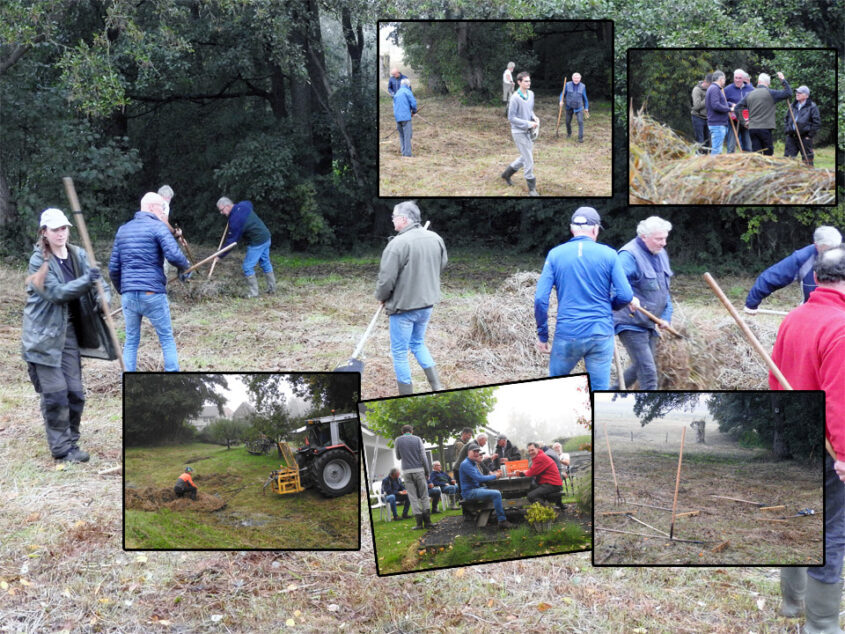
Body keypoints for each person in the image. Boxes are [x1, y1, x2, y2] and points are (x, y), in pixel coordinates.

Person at [770, 245, 845, 633]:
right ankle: (821, 625)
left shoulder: (793, 317)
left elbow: (773, 381)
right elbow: (839, 397)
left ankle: (791, 603)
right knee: (831, 529)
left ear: (817, 278)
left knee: (802, 519)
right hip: (829, 448)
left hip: (796, 437)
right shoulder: (841, 326)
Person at [22, 208, 109, 462]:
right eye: (55, 229)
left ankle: (71, 440)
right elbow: (57, 294)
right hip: (42, 336)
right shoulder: (39, 261)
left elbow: (99, 284)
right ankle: (61, 450)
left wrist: (103, 298)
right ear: (44, 233)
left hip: (68, 332)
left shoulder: (78, 255)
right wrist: (86, 282)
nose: (61, 233)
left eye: (64, 228)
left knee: (75, 392)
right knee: (56, 394)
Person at [534, 207, 637, 390]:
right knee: (598, 391)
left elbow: (541, 299)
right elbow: (626, 295)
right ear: (595, 229)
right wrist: (610, 306)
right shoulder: (609, 254)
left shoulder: (555, 254)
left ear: (572, 229)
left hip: (568, 333)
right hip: (600, 333)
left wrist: (543, 336)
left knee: (554, 388)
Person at [109, 192, 190, 372]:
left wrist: (124, 290)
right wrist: (185, 267)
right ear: (152, 208)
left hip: (129, 294)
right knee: (166, 338)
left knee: (131, 342)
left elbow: (113, 268)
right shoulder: (158, 227)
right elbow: (174, 255)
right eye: (162, 208)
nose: (163, 213)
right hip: (152, 292)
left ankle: (126, 382)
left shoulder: (123, 229)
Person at [375, 201, 448, 395]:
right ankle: (437, 385)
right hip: (427, 305)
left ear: (404, 219)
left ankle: (406, 394)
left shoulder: (397, 244)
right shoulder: (435, 238)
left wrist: (381, 297)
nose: (392, 221)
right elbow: (442, 265)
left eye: (393, 217)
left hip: (404, 308)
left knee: (399, 353)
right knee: (417, 343)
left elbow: (386, 279)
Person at [613, 216, 674, 390]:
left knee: (638, 368)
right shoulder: (629, 255)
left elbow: (664, 290)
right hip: (630, 321)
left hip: (649, 322)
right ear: (644, 237)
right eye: (659, 239)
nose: (664, 243)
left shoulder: (660, 253)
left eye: (665, 238)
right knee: (648, 373)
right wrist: (628, 298)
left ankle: (613, 391)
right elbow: (614, 284)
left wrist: (665, 316)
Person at [744, 226, 842, 314]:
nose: (832, 253)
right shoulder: (803, 258)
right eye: (828, 249)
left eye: (836, 248)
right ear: (816, 245)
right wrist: (752, 303)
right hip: (812, 314)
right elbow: (772, 277)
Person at [214, 197, 275, 297]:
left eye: (221, 210)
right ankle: (272, 289)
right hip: (266, 236)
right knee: (265, 262)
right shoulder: (243, 206)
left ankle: (253, 293)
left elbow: (231, 242)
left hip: (258, 241)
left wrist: (219, 255)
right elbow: (249, 202)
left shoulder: (235, 220)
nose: (221, 213)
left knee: (247, 266)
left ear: (228, 206)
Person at [732, 71, 792, 156]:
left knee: (757, 155)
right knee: (768, 154)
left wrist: (743, 122)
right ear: (768, 83)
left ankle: (758, 169)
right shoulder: (771, 93)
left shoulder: (750, 94)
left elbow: (737, 108)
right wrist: (782, 79)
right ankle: (767, 169)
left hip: (752, 128)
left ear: (758, 82)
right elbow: (788, 93)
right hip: (766, 128)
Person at [501, 72, 540, 196]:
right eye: (526, 81)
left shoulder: (531, 94)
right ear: (519, 82)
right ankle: (532, 189)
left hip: (529, 131)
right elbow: (511, 117)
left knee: (524, 156)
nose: (528, 83)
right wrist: (528, 123)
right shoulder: (515, 98)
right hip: (518, 132)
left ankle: (506, 174)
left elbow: (530, 110)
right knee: (529, 159)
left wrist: (534, 118)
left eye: (529, 81)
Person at [459, 446, 514, 529]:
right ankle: (502, 521)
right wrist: (495, 476)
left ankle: (495, 515)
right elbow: (480, 479)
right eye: (474, 451)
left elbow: (481, 476)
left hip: (475, 489)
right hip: (469, 492)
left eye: (477, 451)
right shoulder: (466, 464)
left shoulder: (472, 463)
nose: (477, 453)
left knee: (497, 490)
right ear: (468, 452)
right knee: (496, 494)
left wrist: (493, 475)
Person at [394, 425, 432, 530]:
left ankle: (419, 524)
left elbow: (398, 457)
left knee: (413, 497)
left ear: (402, 432)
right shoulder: (417, 439)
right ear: (412, 431)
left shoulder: (398, 440)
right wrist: (427, 471)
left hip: (406, 471)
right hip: (419, 470)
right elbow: (423, 457)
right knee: (424, 495)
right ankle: (428, 522)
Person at [515, 442, 564, 508]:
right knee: (531, 488)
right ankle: (541, 510)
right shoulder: (539, 456)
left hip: (553, 484)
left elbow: (531, 472)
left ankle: (547, 512)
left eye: (532, 450)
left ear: (537, 449)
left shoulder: (540, 458)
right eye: (529, 451)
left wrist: (520, 473)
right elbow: (533, 470)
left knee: (531, 496)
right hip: (550, 483)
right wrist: (524, 472)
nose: (530, 452)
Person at [784, 85, 821, 166]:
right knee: (787, 161)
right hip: (791, 137)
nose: (797, 94)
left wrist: (809, 135)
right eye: (797, 92)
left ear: (806, 95)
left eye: (800, 93)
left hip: (804, 138)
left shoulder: (812, 106)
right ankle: (788, 177)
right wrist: (787, 130)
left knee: (807, 161)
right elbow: (786, 119)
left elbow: (817, 123)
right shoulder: (792, 105)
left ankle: (810, 177)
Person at [723, 69, 753, 153]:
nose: (737, 80)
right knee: (731, 145)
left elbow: (755, 101)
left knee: (748, 144)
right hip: (733, 120)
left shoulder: (750, 89)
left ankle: (748, 161)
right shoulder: (728, 89)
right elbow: (722, 101)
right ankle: (731, 162)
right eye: (736, 78)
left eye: (739, 78)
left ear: (743, 79)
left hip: (746, 120)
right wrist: (731, 104)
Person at [705, 70, 731, 155]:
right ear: (721, 79)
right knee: (716, 150)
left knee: (718, 149)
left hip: (718, 124)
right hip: (717, 124)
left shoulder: (714, 89)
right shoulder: (714, 89)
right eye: (724, 79)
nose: (725, 81)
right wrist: (729, 109)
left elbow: (720, 102)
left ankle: (713, 166)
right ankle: (712, 167)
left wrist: (730, 104)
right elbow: (715, 105)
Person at [559, 72, 589, 143]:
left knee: (580, 121)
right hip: (569, 106)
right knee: (567, 122)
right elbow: (562, 94)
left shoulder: (583, 86)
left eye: (578, 78)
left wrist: (586, 107)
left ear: (580, 79)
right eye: (575, 78)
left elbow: (585, 98)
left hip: (579, 107)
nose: (576, 79)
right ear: (572, 78)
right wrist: (561, 100)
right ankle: (569, 133)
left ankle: (580, 138)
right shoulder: (567, 84)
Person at [392, 78, 417, 157]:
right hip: (405, 117)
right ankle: (408, 154)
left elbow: (394, 105)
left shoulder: (397, 93)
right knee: (407, 136)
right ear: (408, 85)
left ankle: (403, 153)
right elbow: (413, 103)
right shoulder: (407, 92)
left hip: (397, 118)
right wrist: (414, 111)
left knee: (401, 136)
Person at [690, 73, 712, 152]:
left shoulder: (711, 90)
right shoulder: (697, 90)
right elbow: (697, 106)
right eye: (710, 84)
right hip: (698, 117)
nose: (712, 87)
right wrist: (707, 98)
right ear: (705, 81)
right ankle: (699, 157)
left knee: (708, 141)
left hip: (708, 118)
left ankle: (705, 159)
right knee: (700, 140)